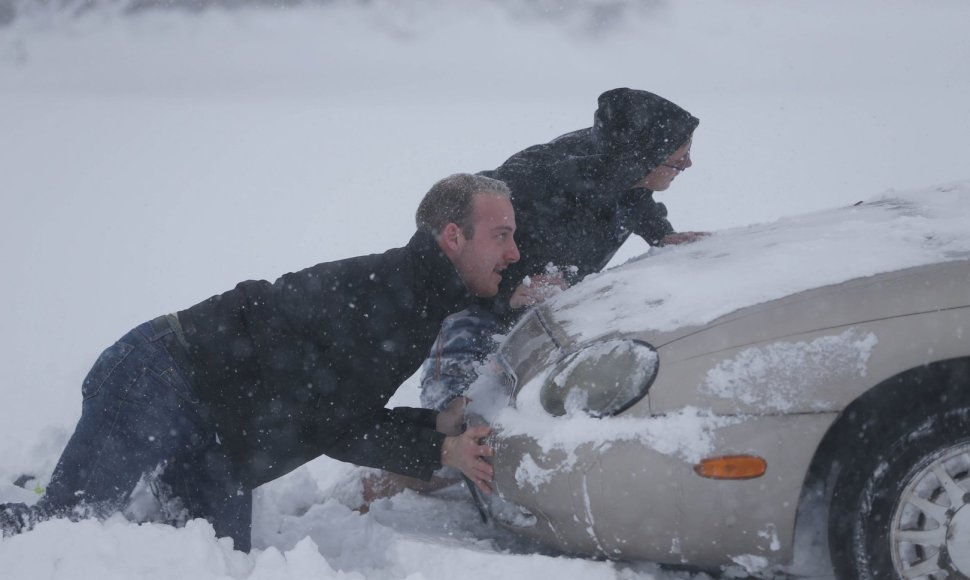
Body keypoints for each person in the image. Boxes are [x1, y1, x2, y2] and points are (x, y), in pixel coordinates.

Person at [0, 173, 519, 551]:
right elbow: (334, 426)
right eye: (503, 236)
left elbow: (338, 412)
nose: (514, 253)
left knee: (215, 557)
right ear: (454, 237)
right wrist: (440, 448)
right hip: (159, 378)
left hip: (218, 438)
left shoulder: (415, 300)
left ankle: (90, 480)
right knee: (63, 524)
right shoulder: (392, 296)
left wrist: (433, 426)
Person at [420, 87, 702, 412]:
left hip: (552, 311)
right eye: (678, 159)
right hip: (474, 311)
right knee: (456, 416)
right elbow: (444, 251)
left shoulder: (622, 167)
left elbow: (635, 199)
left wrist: (662, 236)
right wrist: (506, 293)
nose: (689, 162)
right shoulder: (532, 183)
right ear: (642, 162)